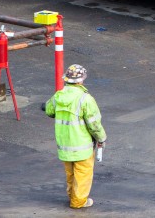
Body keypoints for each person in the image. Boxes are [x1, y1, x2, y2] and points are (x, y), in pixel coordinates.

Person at [44, 64, 106, 210]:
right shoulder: (85, 99)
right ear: (81, 81)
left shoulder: (58, 95)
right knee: (83, 174)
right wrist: (102, 138)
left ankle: (72, 196)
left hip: (65, 145)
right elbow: (94, 124)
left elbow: (49, 110)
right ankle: (78, 202)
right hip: (82, 146)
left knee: (70, 174)